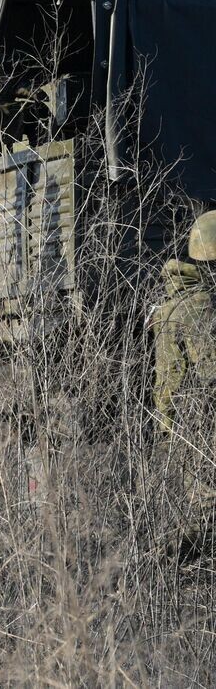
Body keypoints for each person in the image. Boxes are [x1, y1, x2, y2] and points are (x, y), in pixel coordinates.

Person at [150, 210, 216, 559]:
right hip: (202, 415)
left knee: (198, 496)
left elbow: (168, 379)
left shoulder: (169, 307)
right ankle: (174, 554)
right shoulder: (202, 306)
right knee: (205, 505)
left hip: (182, 419)